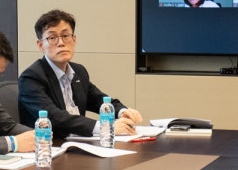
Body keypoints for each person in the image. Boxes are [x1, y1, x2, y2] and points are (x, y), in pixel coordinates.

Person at [17, 9, 143, 138]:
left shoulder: (78, 71)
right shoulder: (31, 77)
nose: (61, 43)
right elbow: (54, 117)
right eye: (52, 38)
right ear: (40, 45)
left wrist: (122, 112)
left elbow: (99, 100)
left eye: (65, 36)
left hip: (77, 143)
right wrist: (104, 127)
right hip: (48, 146)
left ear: (74, 39)